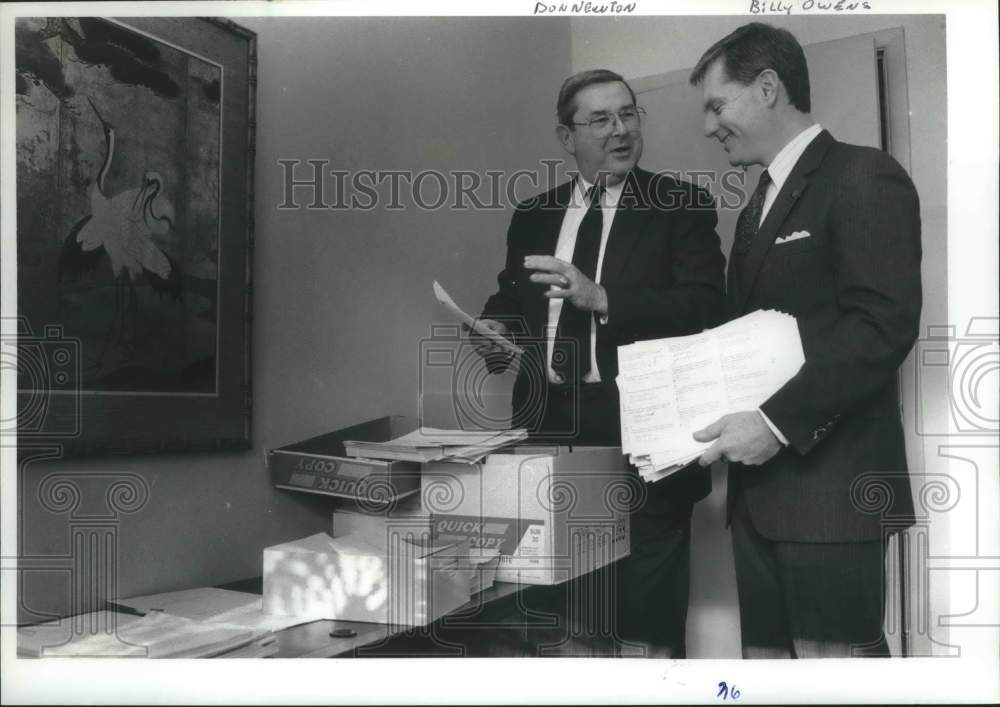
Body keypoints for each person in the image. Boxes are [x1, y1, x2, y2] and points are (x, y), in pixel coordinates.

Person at [474, 69, 726, 657]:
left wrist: (603, 298)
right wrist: (495, 328)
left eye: (629, 114)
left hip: (645, 440)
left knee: (646, 620)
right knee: (566, 620)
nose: (620, 130)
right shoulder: (533, 214)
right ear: (568, 138)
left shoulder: (680, 205)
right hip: (549, 439)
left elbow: (708, 305)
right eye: (601, 120)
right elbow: (511, 298)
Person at [688, 23, 922, 658]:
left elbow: (883, 325)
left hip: (833, 498)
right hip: (758, 502)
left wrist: (776, 422)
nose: (709, 127)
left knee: (835, 678)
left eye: (717, 105)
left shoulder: (863, 176)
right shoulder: (754, 207)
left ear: (767, 88)